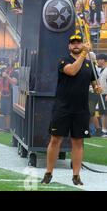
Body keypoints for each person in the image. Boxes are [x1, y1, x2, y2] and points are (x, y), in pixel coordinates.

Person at [41, 34, 102, 186]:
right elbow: (72, 71)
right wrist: (83, 54)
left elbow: (95, 84)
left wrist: (98, 88)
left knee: (78, 142)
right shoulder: (63, 61)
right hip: (63, 108)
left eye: (79, 42)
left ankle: (76, 175)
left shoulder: (90, 65)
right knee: (56, 139)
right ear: (69, 46)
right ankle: (49, 173)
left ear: (82, 44)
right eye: (73, 43)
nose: (76, 45)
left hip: (81, 109)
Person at [0, 59, 18, 131]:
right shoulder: (4, 72)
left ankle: (8, 128)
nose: (6, 68)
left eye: (7, 66)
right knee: (4, 112)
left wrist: (7, 76)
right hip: (3, 94)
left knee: (8, 112)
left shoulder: (15, 73)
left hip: (10, 95)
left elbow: (14, 82)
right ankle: (6, 127)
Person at [96, 53, 107, 137]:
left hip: (105, 94)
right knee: (102, 112)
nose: (97, 61)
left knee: (105, 112)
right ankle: (104, 130)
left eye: (98, 59)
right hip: (101, 94)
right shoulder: (101, 70)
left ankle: (104, 130)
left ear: (103, 60)